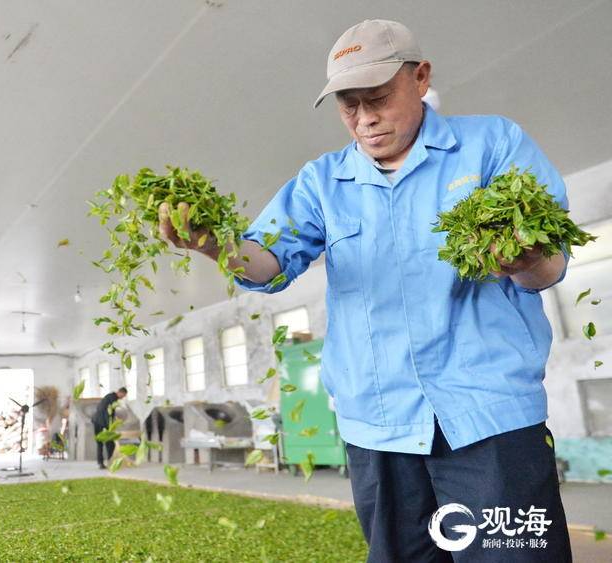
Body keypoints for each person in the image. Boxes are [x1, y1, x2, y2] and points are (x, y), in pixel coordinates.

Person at [159, 19, 572, 563]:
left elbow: (552, 266)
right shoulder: (321, 181)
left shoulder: (492, 145)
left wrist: (525, 257)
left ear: (420, 77)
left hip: (488, 417)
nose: (365, 118)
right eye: (348, 105)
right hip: (378, 426)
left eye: (377, 98)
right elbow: (266, 262)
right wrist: (216, 246)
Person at [92, 387, 127, 469]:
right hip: (101, 422)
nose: (123, 397)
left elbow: (109, 413)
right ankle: (109, 462)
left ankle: (103, 463)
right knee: (109, 443)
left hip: (97, 421)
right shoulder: (112, 399)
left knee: (102, 443)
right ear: (120, 392)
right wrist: (109, 427)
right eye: (123, 395)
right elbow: (107, 413)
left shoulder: (110, 397)